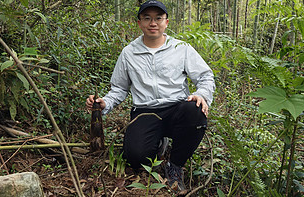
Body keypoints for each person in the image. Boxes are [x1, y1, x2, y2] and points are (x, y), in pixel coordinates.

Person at [86, 0, 215, 192]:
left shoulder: (181, 48)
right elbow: (119, 88)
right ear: (139, 23)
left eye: (158, 18)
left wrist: (202, 94)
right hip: (145, 111)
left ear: (166, 22)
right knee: (136, 158)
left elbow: (205, 76)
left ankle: (175, 166)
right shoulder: (129, 53)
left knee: (195, 111)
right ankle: (159, 142)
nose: (152, 23)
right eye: (147, 18)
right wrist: (106, 103)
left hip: (177, 108)